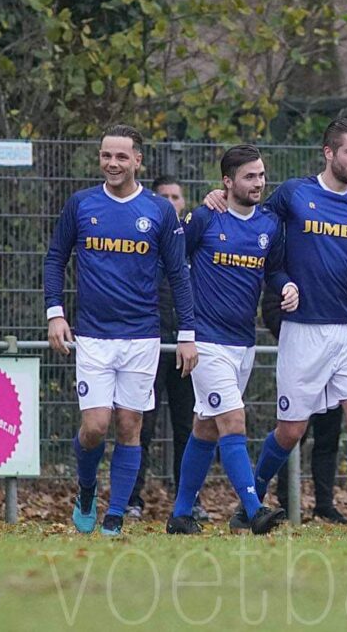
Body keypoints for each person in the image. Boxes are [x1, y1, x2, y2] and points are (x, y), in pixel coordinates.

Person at [205, 118, 347, 535]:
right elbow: (254, 226)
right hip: (303, 330)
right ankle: (251, 502)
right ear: (328, 152)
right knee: (291, 431)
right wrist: (216, 200)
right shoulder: (294, 194)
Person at [45, 125, 198, 537]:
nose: (112, 164)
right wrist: (55, 314)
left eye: (121, 157)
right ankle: (88, 489)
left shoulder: (158, 211)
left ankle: (114, 516)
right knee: (95, 427)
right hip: (93, 336)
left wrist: (187, 333)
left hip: (142, 337)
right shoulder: (81, 204)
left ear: (137, 161)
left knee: (130, 424)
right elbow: (55, 258)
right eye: (106, 156)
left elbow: (179, 276)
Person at [165, 145, 295, 535]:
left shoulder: (269, 224)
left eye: (261, 175)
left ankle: (181, 514)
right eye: (249, 177)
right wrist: (185, 331)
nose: (258, 183)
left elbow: (273, 271)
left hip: (243, 343)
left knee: (206, 427)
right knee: (233, 420)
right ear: (227, 182)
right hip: (206, 341)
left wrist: (286, 284)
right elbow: (173, 266)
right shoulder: (204, 218)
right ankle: (254, 509)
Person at [127, 175, 204, 521]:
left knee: (188, 427)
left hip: (185, 347)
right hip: (148, 345)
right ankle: (132, 498)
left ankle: (188, 500)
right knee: (141, 423)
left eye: (177, 197)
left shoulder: (193, 240)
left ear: (184, 203)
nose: (171, 202)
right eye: (165, 197)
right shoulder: (143, 239)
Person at [261, 284, 347, 524]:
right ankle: (285, 501)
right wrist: (299, 341)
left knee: (328, 437)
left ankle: (324, 505)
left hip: (332, 364)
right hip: (300, 364)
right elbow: (270, 309)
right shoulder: (289, 265)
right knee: (291, 434)